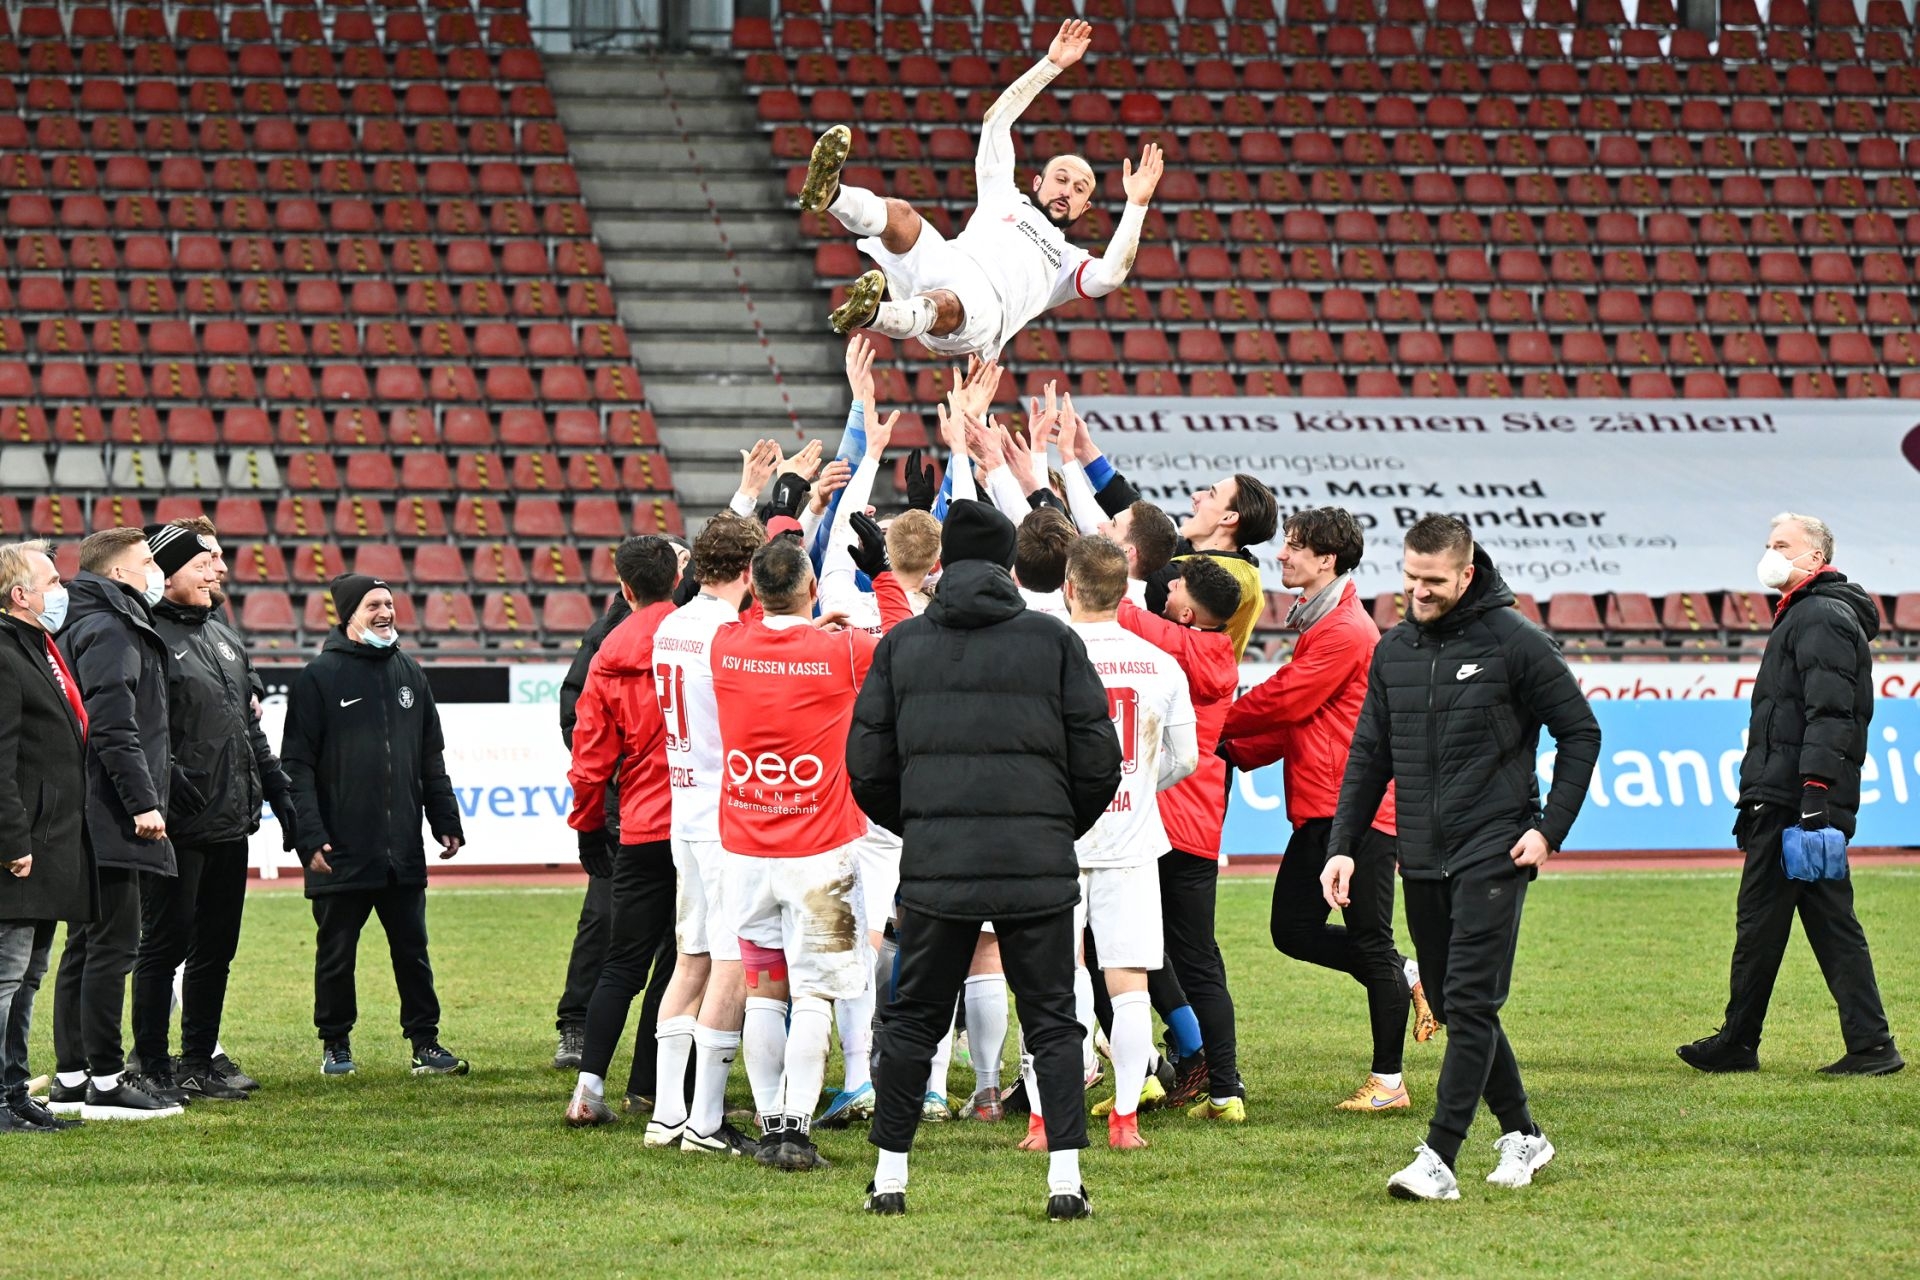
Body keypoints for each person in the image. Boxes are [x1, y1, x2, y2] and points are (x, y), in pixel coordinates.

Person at [848, 499, 1122, 1220]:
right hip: (1037, 860)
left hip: (939, 864)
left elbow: (867, 768)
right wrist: (1058, 828)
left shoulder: (902, 647)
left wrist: (921, 827)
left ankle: (889, 1178)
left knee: (912, 1020)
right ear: (1007, 564)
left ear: (941, 565)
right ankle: (1065, 1181)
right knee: (1054, 1021)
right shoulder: (1054, 641)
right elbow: (1100, 760)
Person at [1320, 515, 1600, 1201]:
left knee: (1471, 1002)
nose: (1418, 591)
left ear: (1466, 574)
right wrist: (1343, 848)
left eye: (1433, 581)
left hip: (1495, 848)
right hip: (1419, 855)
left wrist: (1548, 830)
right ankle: (1525, 1134)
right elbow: (1368, 756)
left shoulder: (1517, 643)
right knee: (1449, 1000)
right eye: (1410, 578)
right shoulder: (1394, 650)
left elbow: (1580, 734)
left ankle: (1438, 1160)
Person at [1219, 507, 1435, 1114]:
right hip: (1325, 808)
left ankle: (1388, 1083)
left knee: (1367, 941)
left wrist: (1211, 722)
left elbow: (1288, 700)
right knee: (1293, 930)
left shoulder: (1343, 629)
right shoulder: (1324, 621)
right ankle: (1409, 974)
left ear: (1326, 561)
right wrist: (1231, 748)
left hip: (1357, 811)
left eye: (1293, 547)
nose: (1282, 556)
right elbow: (1306, 722)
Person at [1679, 513, 1902, 1077]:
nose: (1770, 552)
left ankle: (1738, 1042)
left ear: (1815, 559)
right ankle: (1870, 1044)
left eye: (1782, 544)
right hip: (1793, 792)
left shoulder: (1819, 616)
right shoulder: (1810, 615)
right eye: (1767, 543)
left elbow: (1833, 713)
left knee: (1760, 920)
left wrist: (1813, 791)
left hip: (1792, 799)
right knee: (1829, 923)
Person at [801, 20, 1163, 358]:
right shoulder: (1002, 194)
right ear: (1037, 182)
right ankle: (830, 195)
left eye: (1080, 188)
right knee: (900, 214)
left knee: (946, 302)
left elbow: (1112, 275)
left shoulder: (1069, 263)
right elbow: (995, 123)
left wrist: (1137, 204)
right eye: (1062, 178)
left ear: (1084, 209)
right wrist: (1050, 65)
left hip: (984, 309)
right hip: (948, 259)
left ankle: (872, 315)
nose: (1067, 190)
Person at [709, 536, 899, 1172]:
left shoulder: (727, 645)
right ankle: (794, 1128)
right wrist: (883, 575)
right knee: (816, 994)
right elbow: (910, 642)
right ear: (813, 590)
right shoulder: (842, 650)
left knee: (765, 987)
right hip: (821, 855)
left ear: (754, 591)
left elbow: (754, 625)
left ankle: (766, 1122)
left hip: (746, 850)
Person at [129, 525, 295, 1102]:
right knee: (163, 945)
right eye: (206, 562)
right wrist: (173, 789)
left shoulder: (224, 635)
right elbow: (137, 730)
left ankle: (197, 1060)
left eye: (220, 560)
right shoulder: (145, 635)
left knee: (216, 949)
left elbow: (249, 732)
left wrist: (283, 803)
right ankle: (148, 1065)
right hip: (174, 826)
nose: (219, 570)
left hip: (230, 821)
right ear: (168, 571)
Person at [281, 574, 468, 1078]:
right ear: (349, 615)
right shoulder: (318, 677)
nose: (386, 612)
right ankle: (336, 1043)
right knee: (336, 954)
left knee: (414, 950)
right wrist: (309, 834)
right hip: (339, 848)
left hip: (401, 846)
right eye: (373, 605)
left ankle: (425, 1044)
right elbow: (295, 765)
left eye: (390, 603)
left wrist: (444, 818)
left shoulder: (410, 672)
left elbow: (431, 756)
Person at [1057, 536, 1196, 1151]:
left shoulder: (1047, 656)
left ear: (1069, 587)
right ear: (1124, 593)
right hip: (1133, 842)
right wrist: (1137, 786)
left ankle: (1044, 1120)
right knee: (1130, 982)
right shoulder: (1161, 663)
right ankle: (1123, 1120)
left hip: (1057, 842)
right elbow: (1187, 757)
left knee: (1061, 980)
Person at [48, 527, 182, 1120]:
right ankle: (104, 1080)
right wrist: (142, 801)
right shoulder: (110, 627)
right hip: (111, 812)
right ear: (123, 574)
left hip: (93, 809)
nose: (156, 571)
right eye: (148, 562)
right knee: (112, 946)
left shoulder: (87, 621)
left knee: (85, 946)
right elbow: (113, 727)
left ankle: (72, 1077)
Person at [644, 514, 767, 1152]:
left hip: (684, 807)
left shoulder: (672, 624)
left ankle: (667, 1115)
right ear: (749, 572)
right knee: (729, 963)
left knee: (690, 957)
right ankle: (707, 1120)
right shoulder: (728, 635)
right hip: (726, 813)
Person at [1114, 553, 1246, 1120]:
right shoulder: (1217, 654)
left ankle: (1172, 1060)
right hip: (1199, 823)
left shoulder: (1173, 642)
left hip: (1160, 816)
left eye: (1178, 587)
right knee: (1195, 956)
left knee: (1119, 945)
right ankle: (1226, 1088)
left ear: (1189, 612)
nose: (1167, 591)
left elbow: (1112, 605)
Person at [561, 536, 683, 1129]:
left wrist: (587, 826)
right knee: (688, 959)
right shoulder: (700, 636)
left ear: (625, 589)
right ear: (677, 579)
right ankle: (659, 1087)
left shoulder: (610, 651)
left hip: (640, 825)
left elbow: (590, 758)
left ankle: (588, 1088)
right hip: (702, 829)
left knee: (621, 964)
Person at [0, 540, 90, 1133]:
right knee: (6, 976)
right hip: (22, 847)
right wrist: (12, 841)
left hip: (50, 841)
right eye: (52, 581)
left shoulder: (39, 648)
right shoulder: (5, 655)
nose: (62, 591)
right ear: (20, 595)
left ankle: (13, 1091)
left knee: (29, 975)